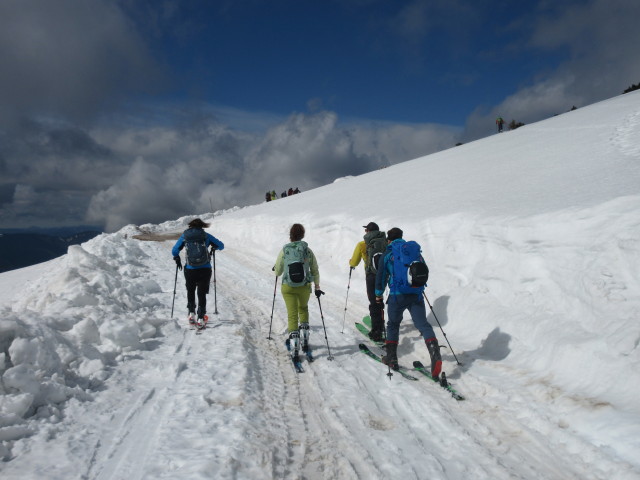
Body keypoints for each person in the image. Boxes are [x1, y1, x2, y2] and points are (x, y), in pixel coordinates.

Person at [374, 227, 442, 378]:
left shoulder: (389, 254)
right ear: (402, 237)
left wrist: (378, 294)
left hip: (397, 296)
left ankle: (392, 358)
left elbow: (381, 275)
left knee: (393, 324)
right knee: (423, 324)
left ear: (389, 240)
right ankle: (435, 354)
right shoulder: (413, 252)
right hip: (416, 294)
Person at [273, 223, 322, 361]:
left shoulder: (285, 250)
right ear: (303, 234)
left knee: (292, 314)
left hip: (288, 287)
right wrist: (317, 286)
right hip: (304, 286)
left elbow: (278, 271)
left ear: (290, 235)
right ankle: (305, 338)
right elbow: (315, 269)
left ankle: (294, 345)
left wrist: (276, 269)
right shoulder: (307, 250)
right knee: (303, 308)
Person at [172, 218, 224, 328]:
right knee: (201, 293)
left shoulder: (185, 236)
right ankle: (201, 318)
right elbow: (221, 245)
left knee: (190, 290)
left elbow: (175, 250)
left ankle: (191, 314)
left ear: (190, 226)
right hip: (205, 269)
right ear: (201, 226)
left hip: (190, 269)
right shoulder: (206, 236)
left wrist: (177, 258)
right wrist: (214, 247)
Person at [349, 222, 387, 341]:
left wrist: (351, 263)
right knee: (379, 298)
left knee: (373, 301)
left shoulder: (362, 244)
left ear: (368, 231)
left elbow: (354, 262)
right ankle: (380, 325)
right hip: (384, 275)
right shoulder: (386, 242)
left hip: (371, 276)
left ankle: (377, 331)